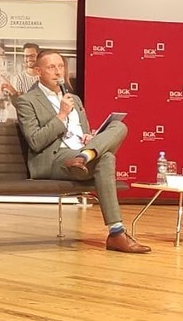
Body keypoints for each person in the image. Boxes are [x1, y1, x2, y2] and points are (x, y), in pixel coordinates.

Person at [13, 50, 149, 253]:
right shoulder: (27, 101)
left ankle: (84, 157)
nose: (58, 72)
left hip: (77, 158)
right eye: (51, 67)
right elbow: (35, 141)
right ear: (38, 71)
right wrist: (61, 115)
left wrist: (88, 138)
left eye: (61, 66)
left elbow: (82, 130)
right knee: (106, 157)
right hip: (54, 159)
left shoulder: (74, 99)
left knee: (119, 127)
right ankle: (116, 233)